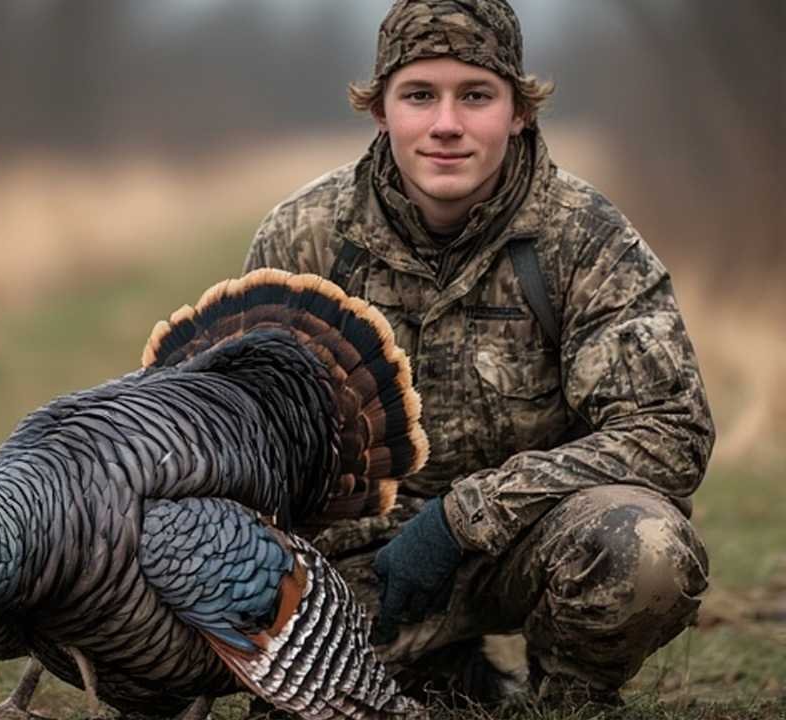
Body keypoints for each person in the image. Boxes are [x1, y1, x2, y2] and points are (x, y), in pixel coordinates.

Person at [243, 0, 714, 708]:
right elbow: (241, 440)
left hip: (524, 548)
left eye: (476, 95)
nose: (446, 125)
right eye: (419, 95)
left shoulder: (584, 240)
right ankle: (430, 667)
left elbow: (670, 433)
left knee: (644, 551)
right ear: (381, 112)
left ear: (519, 111)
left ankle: (569, 696)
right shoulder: (304, 239)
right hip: (356, 568)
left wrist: (465, 517)